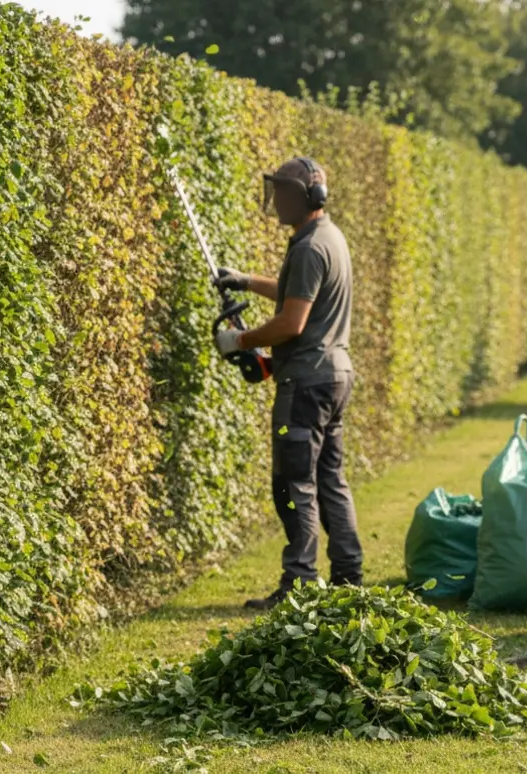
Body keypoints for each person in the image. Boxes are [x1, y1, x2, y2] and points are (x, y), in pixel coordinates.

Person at [212, 156, 363, 610]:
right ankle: (348, 580)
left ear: (305, 198)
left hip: (305, 382)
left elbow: (292, 323)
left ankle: (298, 585)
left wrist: (239, 339)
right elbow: (297, 291)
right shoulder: (329, 238)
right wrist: (245, 280)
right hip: (336, 375)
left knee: (294, 483)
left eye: (281, 191)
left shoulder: (308, 247)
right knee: (330, 478)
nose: (275, 199)